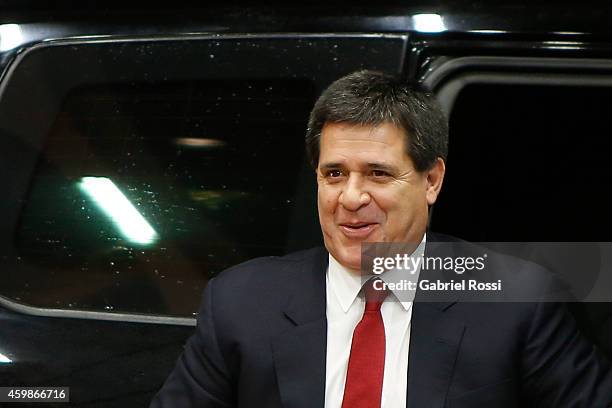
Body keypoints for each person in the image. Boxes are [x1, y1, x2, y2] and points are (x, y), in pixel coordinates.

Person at [150, 70, 612, 407]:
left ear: (431, 180)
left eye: (377, 173)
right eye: (334, 174)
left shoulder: (516, 298)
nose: (350, 198)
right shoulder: (242, 300)